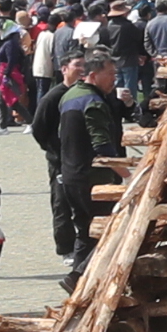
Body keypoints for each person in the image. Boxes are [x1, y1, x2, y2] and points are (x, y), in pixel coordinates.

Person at [45, 51, 126, 273]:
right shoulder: (93, 101)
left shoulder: (70, 96)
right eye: (110, 73)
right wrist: (128, 175)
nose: (114, 78)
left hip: (71, 175)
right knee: (105, 231)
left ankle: (77, 280)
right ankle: (83, 275)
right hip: (93, 180)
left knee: (85, 232)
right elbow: (102, 147)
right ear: (94, 75)